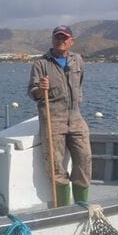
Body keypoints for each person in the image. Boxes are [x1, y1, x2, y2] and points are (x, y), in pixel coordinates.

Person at [28, 25, 91, 206]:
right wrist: (41, 89)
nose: (61, 41)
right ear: (52, 39)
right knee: (55, 164)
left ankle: (81, 204)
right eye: (57, 37)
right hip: (52, 119)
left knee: (85, 159)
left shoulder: (77, 60)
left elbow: (80, 83)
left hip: (76, 117)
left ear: (71, 41)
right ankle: (63, 208)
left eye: (64, 38)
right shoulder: (41, 64)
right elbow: (32, 93)